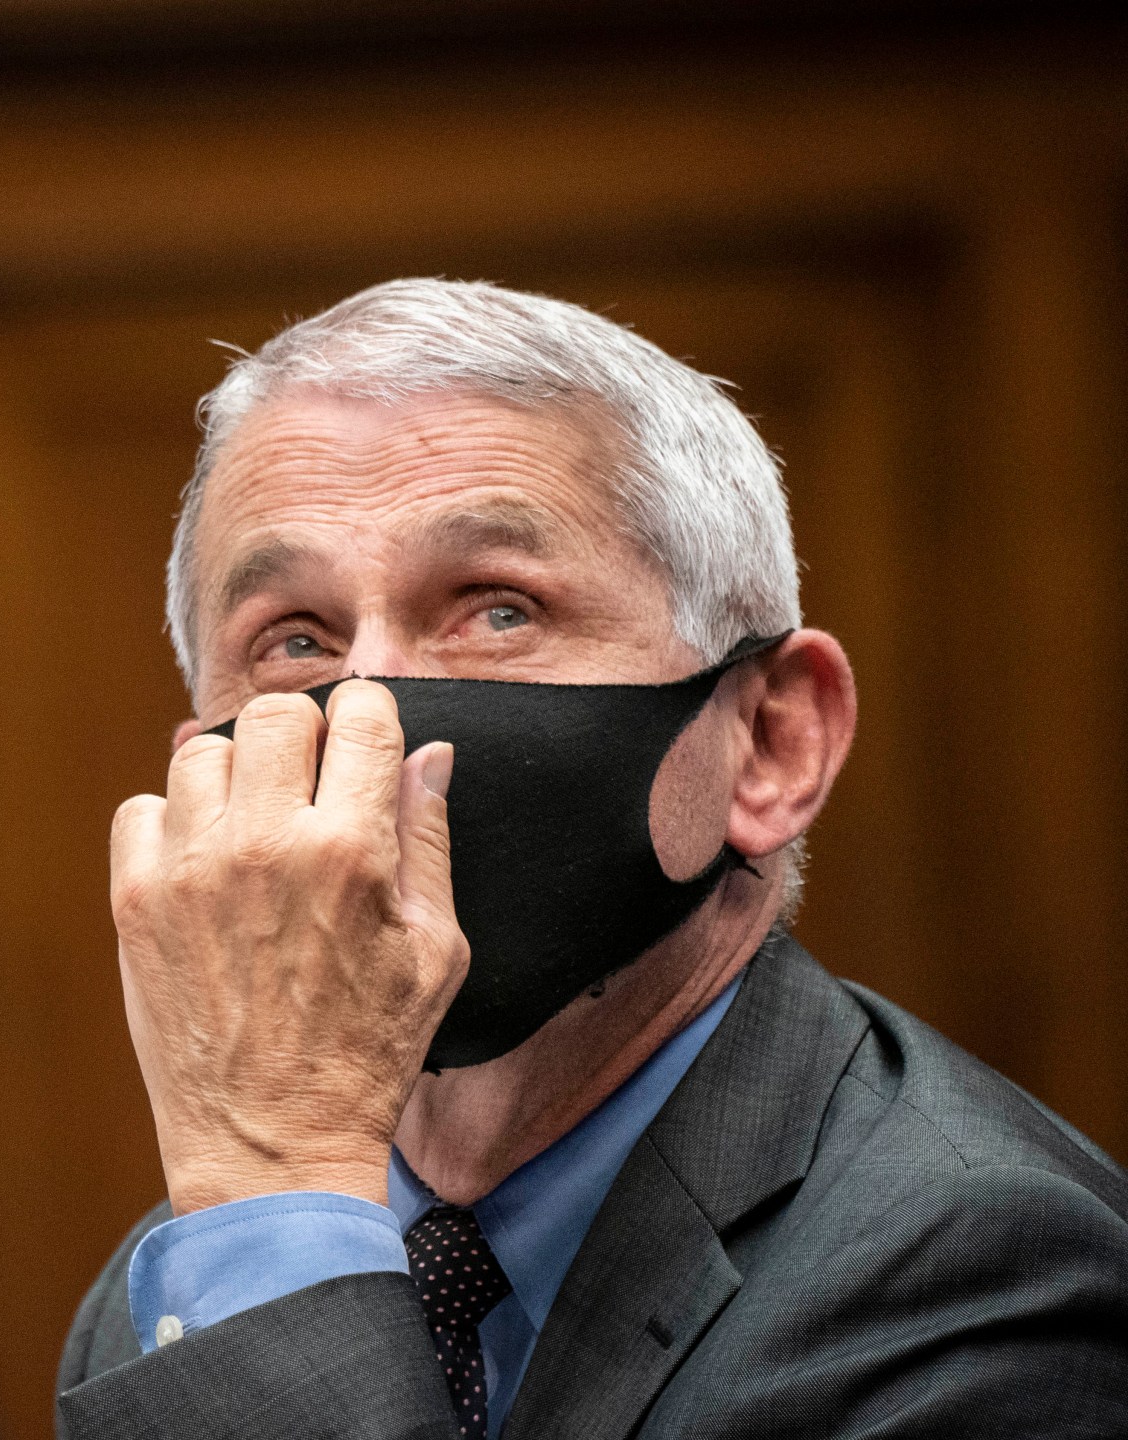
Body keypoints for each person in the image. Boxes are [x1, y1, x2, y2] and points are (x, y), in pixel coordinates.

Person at [56, 280, 1128, 1438]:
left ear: (770, 741)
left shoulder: (975, 1274)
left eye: (497, 610)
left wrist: (272, 1177)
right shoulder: (179, 1283)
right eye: (296, 640)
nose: (364, 706)